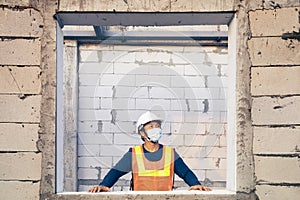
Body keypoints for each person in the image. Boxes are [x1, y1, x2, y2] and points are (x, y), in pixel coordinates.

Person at [88, 111, 211, 192]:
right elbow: (116, 172)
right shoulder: (134, 154)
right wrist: (104, 185)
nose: (155, 129)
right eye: (151, 127)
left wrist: (195, 184)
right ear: (142, 132)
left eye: (157, 126)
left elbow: (186, 173)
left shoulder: (170, 153)